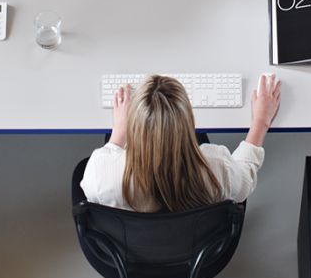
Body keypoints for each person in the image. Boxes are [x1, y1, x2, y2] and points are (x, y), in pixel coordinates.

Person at [80, 73, 281, 212]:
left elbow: (93, 189)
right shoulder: (217, 168)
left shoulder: (101, 173)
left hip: (132, 253)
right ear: (188, 122)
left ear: (135, 126)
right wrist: (261, 122)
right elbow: (244, 182)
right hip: (193, 251)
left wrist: (119, 132)